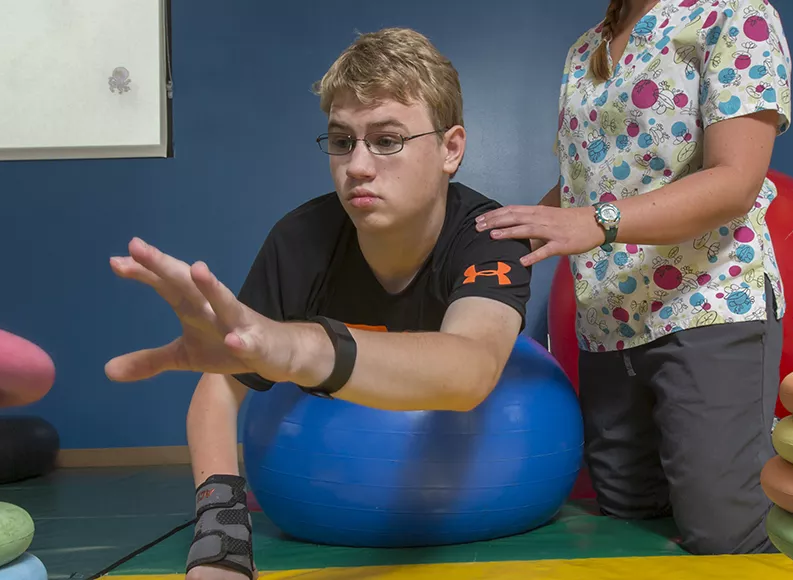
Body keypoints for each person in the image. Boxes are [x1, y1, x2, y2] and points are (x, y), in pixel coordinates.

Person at [104, 28, 534, 580]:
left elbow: (470, 369)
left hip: (477, 484)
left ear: (451, 149)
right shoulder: (300, 240)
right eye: (341, 140)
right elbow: (221, 379)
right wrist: (220, 537)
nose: (356, 165)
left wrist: (300, 347)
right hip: (329, 493)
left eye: (386, 140)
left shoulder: (490, 235)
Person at [475, 0, 793, 556]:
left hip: (706, 303)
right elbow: (585, 183)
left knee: (726, 534)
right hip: (609, 324)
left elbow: (735, 181)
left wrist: (593, 222)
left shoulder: (735, 14)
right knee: (625, 524)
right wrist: (500, 236)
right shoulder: (586, 48)